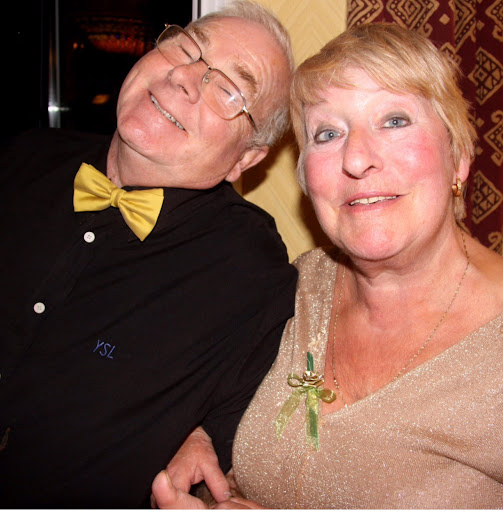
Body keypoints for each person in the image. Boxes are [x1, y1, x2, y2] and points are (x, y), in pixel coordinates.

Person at [151, 23, 503, 509]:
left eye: (394, 121)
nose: (356, 159)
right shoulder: (295, 288)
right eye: (328, 133)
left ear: (458, 156)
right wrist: (197, 439)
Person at [0, 1, 298, 507]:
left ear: (245, 159)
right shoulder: (22, 158)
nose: (185, 77)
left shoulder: (249, 274)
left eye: (229, 89)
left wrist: (201, 433)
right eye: (187, 48)